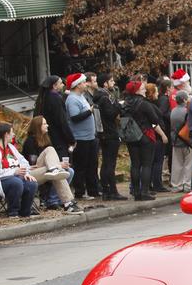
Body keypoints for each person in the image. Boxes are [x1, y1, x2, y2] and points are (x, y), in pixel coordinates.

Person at [21, 116, 83, 213]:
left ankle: (59, 201)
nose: (47, 125)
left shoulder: (46, 139)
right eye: (44, 124)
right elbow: (33, 163)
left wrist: (58, 164)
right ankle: (62, 202)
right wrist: (58, 165)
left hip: (45, 169)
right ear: (38, 126)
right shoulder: (30, 142)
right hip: (31, 172)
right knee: (51, 152)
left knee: (68, 171)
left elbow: (50, 160)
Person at [0, 123, 39, 218]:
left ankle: (25, 213)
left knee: (31, 183)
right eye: (12, 132)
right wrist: (14, 171)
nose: (14, 135)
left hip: (14, 177)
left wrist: (26, 173)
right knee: (16, 182)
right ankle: (13, 212)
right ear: (6, 134)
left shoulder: (10, 147)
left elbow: (23, 161)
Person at [121, 80, 167, 201]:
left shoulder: (126, 103)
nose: (144, 90)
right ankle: (145, 191)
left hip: (131, 136)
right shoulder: (144, 103)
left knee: (135, 164)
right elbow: (155, 119)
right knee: (146, 164)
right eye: (142, 88)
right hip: (145, 135)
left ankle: (136, 192)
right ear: (136, 90)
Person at [64, 73, 100, 199]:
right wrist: (89, 111)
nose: (86, 84)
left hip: (90, 136)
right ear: (77, 85)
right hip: (80, 137)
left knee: (92, 164)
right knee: (81, 166)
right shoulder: (72, 99)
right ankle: (80, 192)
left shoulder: (81, 96)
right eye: (84, 82)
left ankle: (93, 190)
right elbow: (74, 117)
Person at [93, 72, 124, 200]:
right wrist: (118, 106)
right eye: (111, 81)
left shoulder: (99, 96)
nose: (113, 83)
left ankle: (106, 189)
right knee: (110, 163)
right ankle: (111, 191)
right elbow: (110, 114)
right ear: (105, 83)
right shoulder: (105, 98)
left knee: (106, 162)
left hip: (103, 132)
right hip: (109, 133)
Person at [34, 75, 74, 158]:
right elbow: (62, 121)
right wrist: (71, 139)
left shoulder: (43, 98)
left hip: (48, 136)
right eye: (60, 83)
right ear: (54, 86)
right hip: (58, 138)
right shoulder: (55, 98)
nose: (63, 85)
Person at [144, 83, 169, 193]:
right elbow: (154, 123)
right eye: (156, 91)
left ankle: (153, 184)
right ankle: (157, 184)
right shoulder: (150, 106)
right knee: (157, 161)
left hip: (155, 136)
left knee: (155, 161)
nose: (158, 93)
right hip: (157, 136)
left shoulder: (151, 104)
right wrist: (163, 134)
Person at [168, 90, 192, 192]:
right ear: (184, 99)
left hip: (175, 140)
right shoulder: (187, 111)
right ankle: (187, 185)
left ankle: (176, 185)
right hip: (186, 141)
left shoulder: (173, 111)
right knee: (188, 164)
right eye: (187, 97)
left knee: (177, 164)